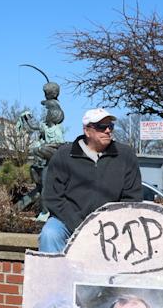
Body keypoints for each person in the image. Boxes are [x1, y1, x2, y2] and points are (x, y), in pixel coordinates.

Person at [38, 108, 141, 253]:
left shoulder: (125, 155)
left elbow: (132, 199)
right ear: (87, 131)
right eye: (101, 127)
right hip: (68, 222)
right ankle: (53, 275)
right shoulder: (64, 155)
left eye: (110, 126)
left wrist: (109, 226)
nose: (107, 131)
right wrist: (80, 226)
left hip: (112, 225)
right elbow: (53, 197)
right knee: (50, 234)